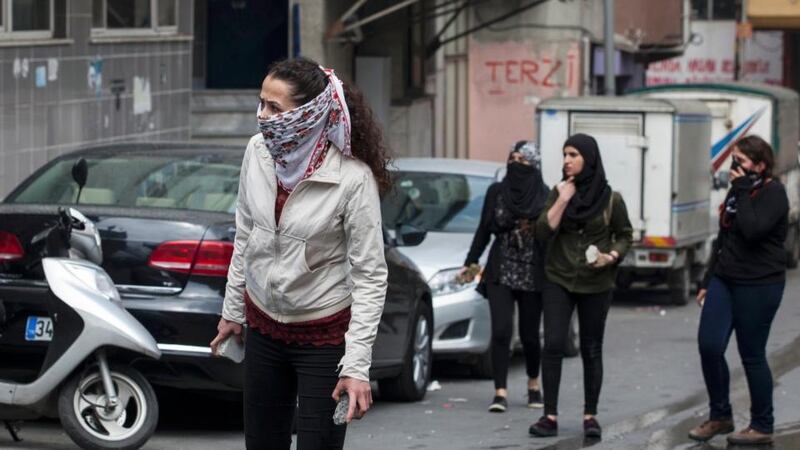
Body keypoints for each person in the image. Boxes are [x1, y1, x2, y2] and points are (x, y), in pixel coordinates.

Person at [209, 57, 390, 450]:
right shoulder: (257, 152)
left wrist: (357, 365)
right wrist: (233, 312)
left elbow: (370, 275)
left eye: (275, 108)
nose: (263, 116)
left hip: (323, 337)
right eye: (261, 103)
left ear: (308, 114)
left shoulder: (352, 178)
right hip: (263, 328)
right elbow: (246, 234)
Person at [529, 133, 632, 439]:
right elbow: (543, 232)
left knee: (591, 347)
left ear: (589, 158)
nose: (567, 160)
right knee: (554, 344)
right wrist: (562, 198)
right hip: (558, 277)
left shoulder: (611, 199)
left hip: (596, 281)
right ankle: (549, 416)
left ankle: (590, 415)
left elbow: (624, 234)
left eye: (573, 154)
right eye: (564, 155)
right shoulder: (558, 191)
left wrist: (610, 256)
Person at [689, 136, 788, 446]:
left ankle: (762, 424)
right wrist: (707, 280)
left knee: (752, 355)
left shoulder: (774, 193)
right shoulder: (738, 191)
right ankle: (720, 415)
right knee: (709, 345)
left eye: (741, 162)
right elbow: (725, 237)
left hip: (760, 283)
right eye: (733, 160)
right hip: (725, 279)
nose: (734, 168)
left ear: (760, 166)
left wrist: (743, 190)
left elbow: (753, 229)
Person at [461, 141, 550, 413]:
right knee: (501, 331)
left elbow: (552, 237)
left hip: (532, 272)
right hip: (501, 269)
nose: (515, 164)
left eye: (522, 160)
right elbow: (484, 229)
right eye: (511, 158)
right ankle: (500, 391)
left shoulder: (545, 195)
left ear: (533, 166)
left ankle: (534, 383)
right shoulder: (496, 192)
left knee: (530, 335)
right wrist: (471, 261)